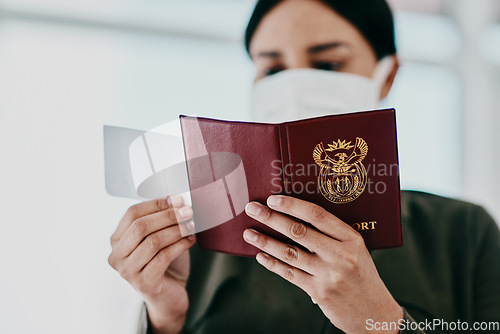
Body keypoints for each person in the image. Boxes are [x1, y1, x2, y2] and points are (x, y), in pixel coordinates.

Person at [107, 1, 500, 333]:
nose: (294, 85)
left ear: (388, 74)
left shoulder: (463, 233)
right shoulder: (206, 242)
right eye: (273, 70)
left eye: (327, 64)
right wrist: (164, 317)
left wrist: (381, 321)